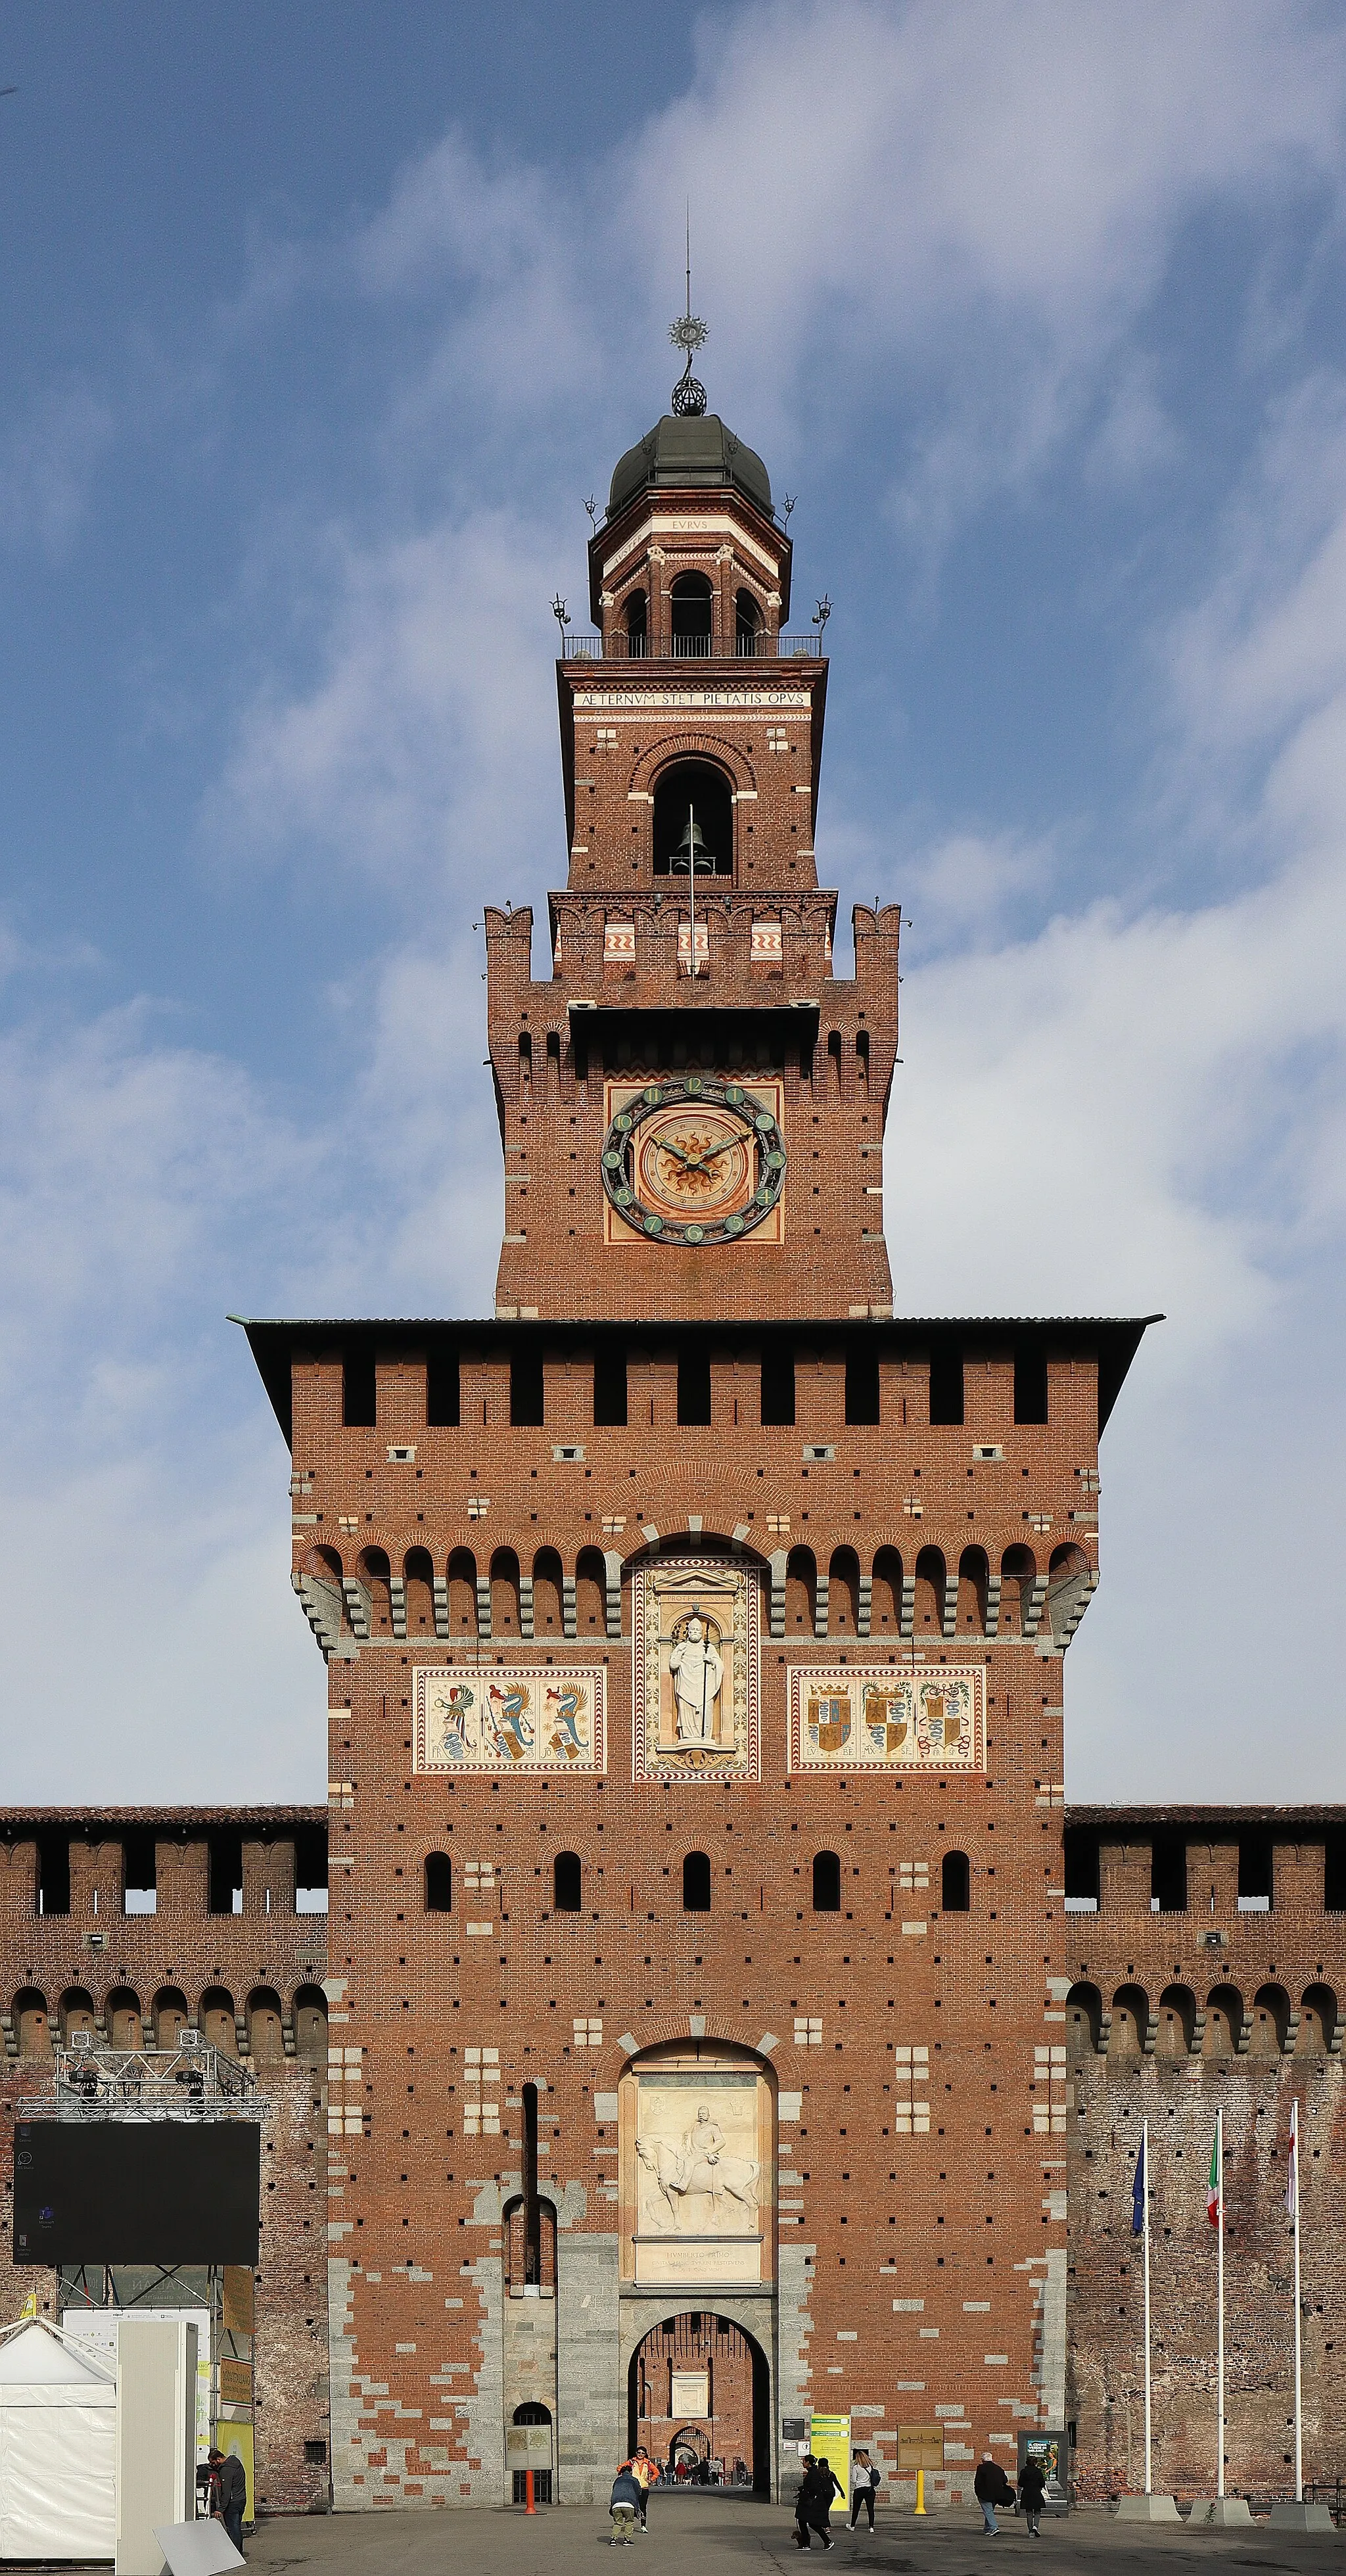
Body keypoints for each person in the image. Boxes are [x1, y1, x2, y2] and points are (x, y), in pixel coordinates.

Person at [208, 2447, 246, 2557]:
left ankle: (236, 2554)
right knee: (237, 2527)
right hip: (241, 2500)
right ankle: (239, 2551)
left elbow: (226, 2491)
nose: (213, 2465)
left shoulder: (226, 2470)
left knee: (233, 2529)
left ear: (219, 2459)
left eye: (213, 2462)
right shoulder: (236, 2463)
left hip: (232, 2502)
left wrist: (220, 2509)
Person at [973, 2454, 1015, 2538]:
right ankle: (987, 2529)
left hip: (984, 2493)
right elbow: (1005, 2480)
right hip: (997, 2494)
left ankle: (994, 2528)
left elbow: (978, 2482)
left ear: (983, 2460)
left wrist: (977, 2491)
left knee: (988, 2511)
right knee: (989, 2511)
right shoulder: (998, 2468)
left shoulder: (981, 2468)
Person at [610, 2463, 642, 2544]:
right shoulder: (634, 2480)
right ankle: (627, 2540)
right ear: (631, 2472)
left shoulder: (617, 2480)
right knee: (629, 2522)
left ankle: (613, 2539)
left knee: (618, 2523)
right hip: (629, 2504)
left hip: (616, 2504)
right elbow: (639, 2491)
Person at [1017, 2452, 1048, 2538]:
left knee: (1029, 2512)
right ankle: (1036, 2526)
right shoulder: (1038, 2472)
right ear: (1035, 2463)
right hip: (1036, 2493)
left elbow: (1020, 2483)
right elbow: (1042, 2483)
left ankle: (1031, 2531)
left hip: (1027, 2493)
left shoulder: (1024, 2471)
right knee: (1038, 2511)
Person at [849, 2452, 875, 2530]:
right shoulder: (871, 2467)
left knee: (856, 2509)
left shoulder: (856, 2467)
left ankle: (852, 2526)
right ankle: (871, 2527)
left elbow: (854, 2481)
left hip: (859, 2489)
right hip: (870, 2489)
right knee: (870, 2509)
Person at [632, 2448, 653, 2527]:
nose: (640, 2454)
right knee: (632, 2506)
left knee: (643, 2507)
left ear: (645, 2454)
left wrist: (651, 2479)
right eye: (639, 2452)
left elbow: (656, 2472)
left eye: (643, 2453)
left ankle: (643, 2525)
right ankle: (630, 2524)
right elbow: (620, 2468)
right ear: (636, 2453)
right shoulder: (631, 2462)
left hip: (644, 2487)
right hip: (634, 2487)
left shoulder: (648, 2463)